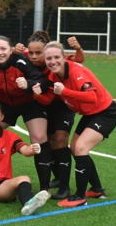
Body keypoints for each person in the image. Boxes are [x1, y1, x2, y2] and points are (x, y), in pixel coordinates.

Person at [36, 41, 116, 207]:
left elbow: (92, 97)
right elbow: (49, 99)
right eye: (49, 58)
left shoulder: (75, 72)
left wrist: (65, 92)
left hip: (106, 112)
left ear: (64, 57)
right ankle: (96, 189)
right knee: (74, 148)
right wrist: (36, 94)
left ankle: (80, 197)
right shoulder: (54, 76)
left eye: (57, 57)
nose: (53, 61)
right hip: (90, 113)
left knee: (80, 147)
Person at [0, 36, 53, 193]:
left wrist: (29, 85)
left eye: (3, 49)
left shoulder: (20, 61)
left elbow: (42, 82)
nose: (0, 53)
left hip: (29, 103)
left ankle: (45, 187)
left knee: (39, 138)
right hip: (6, 104)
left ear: (10, 49)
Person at [26, 31, 85, 199]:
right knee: (50, 143)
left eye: (39, 53)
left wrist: (78, 48)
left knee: (61, 140)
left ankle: (65, 187)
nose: (35, 56)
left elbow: (78, 60)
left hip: (63, 105)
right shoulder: (28, 57)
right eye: (32, 53)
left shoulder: (55, 60)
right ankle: (58, 178)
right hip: (46, 104)